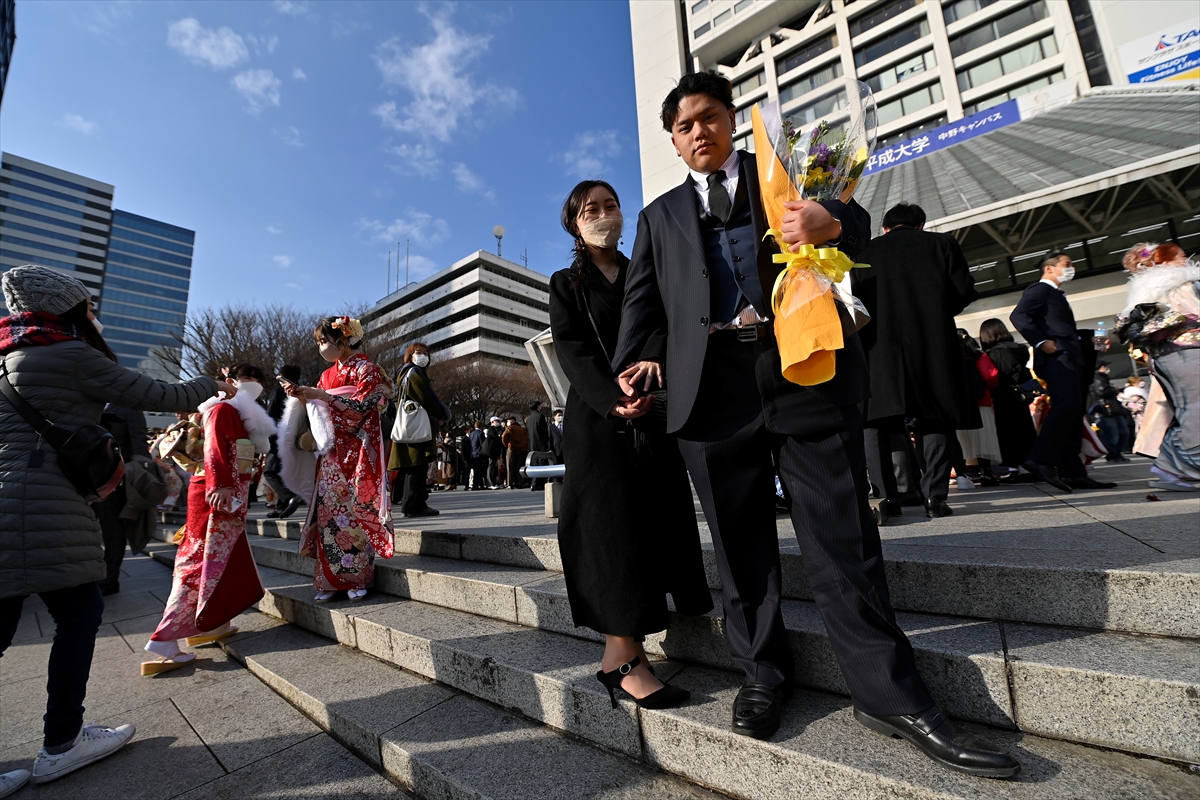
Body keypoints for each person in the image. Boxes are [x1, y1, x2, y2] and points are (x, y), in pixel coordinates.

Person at [609, 73, 1018, 777]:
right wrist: (632, 366)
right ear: (673, 142)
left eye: (709, 117)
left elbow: (852, 226)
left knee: (841, 534)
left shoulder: (785, 171)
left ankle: (889, 692)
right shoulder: (660, 215)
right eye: (683, 126)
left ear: (732, 120)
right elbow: (643, 305)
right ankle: (762, 674)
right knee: (739, 547)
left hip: (802, 366)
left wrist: (832, 223)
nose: (698, 132)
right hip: (711, 389)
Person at [0, 265, 229, 787]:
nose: (94, 316)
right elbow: (158, 394)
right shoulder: (68, 354)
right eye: (88, 307)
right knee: (79, 614)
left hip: (5, 500)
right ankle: (61, 743)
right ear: (66, 309)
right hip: (48, 505)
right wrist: (211, 385)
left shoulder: (6, 358)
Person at [550, 179, 712, 711]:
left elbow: (668, 324)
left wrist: (655, 370)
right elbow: (572, 350)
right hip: (599, 419)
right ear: (574, 222)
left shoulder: (646, 267)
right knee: (610, 528)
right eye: (590, 208)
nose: (603, 214)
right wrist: (612, 397)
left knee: (655, 519)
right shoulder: (566, 282)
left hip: (655, 407)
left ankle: (630, 648)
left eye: (611, 205)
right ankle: (622, 658)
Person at [142, 363, 274, 674]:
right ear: (229, 382)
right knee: (200, 560)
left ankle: (213, 623)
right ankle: (164, 639)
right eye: (245, 378)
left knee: (220, 559)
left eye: (257, 379)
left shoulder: (237, 412)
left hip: (226, 491)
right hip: (216, 492)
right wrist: (223, 484)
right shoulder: (222, 408)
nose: (251, 383)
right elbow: (215, 448)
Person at [852, 202, 980, 518]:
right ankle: (935, 497)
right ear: (920, 225)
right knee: (936, 416)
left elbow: (854, 299)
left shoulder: (865, 252)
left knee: (877, 421)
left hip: (879, 347)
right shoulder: (942, 244)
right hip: (933, 343)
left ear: (885, 227)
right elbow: (962, 292)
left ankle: (884, 498)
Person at [285, 316, 395, 601]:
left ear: (344, 339)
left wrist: (323, 396)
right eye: (319, 342)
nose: (322, 347)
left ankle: (358, 577)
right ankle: (329, 580)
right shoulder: (326, 375)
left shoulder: (366, 369)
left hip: (357, 449)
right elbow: (321, 410)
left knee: (353, 512)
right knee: (329, 515)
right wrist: (302, 398)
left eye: (325, 341)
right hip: (331, 452)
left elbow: (362, 409)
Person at [1010, 252, 1116, 492]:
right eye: (1066, 265)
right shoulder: (1040, 289)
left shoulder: (1056, 295)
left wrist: (1095, 337)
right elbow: (1019, 316)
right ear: (1049, 269)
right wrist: (1040, 342)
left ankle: (1073, 473)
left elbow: (1067, 331)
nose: (1071, 268)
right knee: (1066, 407)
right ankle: (1039, 459)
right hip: (1058, 360)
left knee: (1073, 414)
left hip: (1070, 358)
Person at [1117, 242, 1200, 491]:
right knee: (1194, 409)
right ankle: (1180, 469)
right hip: (1188, 350)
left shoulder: (1149, 290)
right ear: (1163, 262)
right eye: (1182, 256)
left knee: (1188, 409)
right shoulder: (1181, 284)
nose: (1187, 260)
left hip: (1169, 355)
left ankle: (1174, 467)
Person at [94, 404, 151, 596]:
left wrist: (139, 476)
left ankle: (109, 579)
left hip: (118, 478)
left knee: (113, 528)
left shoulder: (129, 408)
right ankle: (96, 574)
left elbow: (139, 445)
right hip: (90, 478)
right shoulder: (88, 404)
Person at [388, 342, 449, 516]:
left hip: (408, 426)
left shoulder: (404, 374)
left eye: (425, 353)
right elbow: (427, 398)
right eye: (418, 352)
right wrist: (442, 415)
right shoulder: (414, 374)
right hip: (417, 427)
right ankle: (415, 505)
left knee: (412, 467)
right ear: (410, 355)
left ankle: (410, 505)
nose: (422, 355)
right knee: (418, 466)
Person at [978, 318, 1038, 472]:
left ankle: (1014, 467)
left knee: (1008, 433)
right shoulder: (1020, 349)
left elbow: (994, 377)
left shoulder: (992, 354)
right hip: (1022, 395)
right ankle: (1031, 464)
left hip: (1003, 397)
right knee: (1026, 429)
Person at [954, 331, 1002, 485]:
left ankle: (965, 473)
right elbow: (991, 376)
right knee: (984, 440)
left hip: (959, 406)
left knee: (962, 442)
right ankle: (986, 473)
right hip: (981, 403)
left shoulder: (951, 357)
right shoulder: (980, 356)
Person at [264, 364, 304, 518]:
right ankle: (281, 507)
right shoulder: (302, 392)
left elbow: (271, 417)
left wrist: (267, 437)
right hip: (298, 439)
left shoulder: (278, 392)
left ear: (281, 376)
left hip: (279, 437)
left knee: (270, 471)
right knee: (283, 472)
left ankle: (289, 497)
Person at [1088, 363, 1131, 463]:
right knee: (1112, 434)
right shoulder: (1097, 378)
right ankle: (1112, 454)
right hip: (1106, 409)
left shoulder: (1103, 378)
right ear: (1102, 367)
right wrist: (1114, 389)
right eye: (1105, 367)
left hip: (1113, 409)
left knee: (1123, 432)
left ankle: (1117, 453)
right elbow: (1101, 391)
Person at [525, 400, 550, 491]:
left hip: (532, 443)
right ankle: (538, 483)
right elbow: (544, 430)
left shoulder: (529, 418)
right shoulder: (540, 416)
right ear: (538, 407)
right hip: (541, 443)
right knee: (542, 463)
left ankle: (534, 482)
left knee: (535, 463)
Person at [501, 416, 529, 489]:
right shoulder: (523, 429)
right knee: (519, 466)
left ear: (511, 421)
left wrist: (507, 444)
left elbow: (504, 437)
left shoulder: (510, 428)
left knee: (510, 466)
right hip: (522, 449)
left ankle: (510, 483)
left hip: (512, 448)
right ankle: (519, 482)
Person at [484, 416, 504, 487]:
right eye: (497, 421)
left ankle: (492, 482)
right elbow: (496, 439)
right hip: (492, 451)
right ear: (492, 422)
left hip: (493, 451)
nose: (498, 423)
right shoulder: (491, 430)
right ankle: (490, 483)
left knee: (492, 466)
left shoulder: (493, 430)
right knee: (491, 466)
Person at [467, 421, 487, 489]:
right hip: (478, 454)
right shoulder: (480, 433)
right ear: (481, 426)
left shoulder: (471, 434)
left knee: (476, 469)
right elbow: (483, 444)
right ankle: (475, 485)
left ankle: (480, 484)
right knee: (478, 470)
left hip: (472, 454)